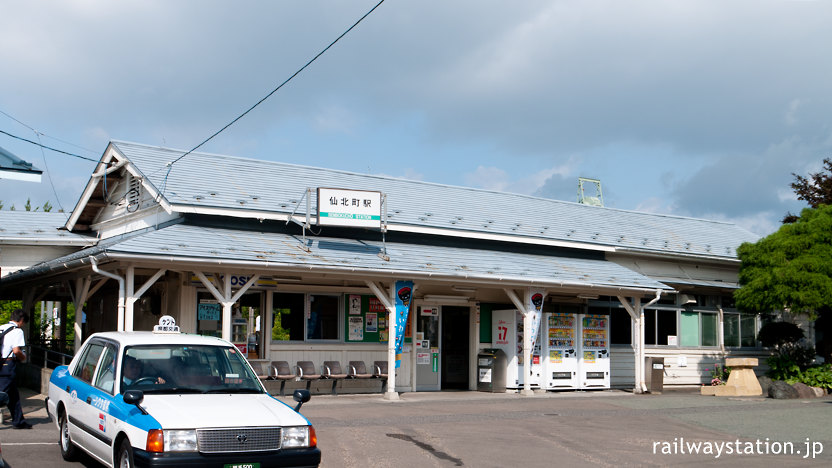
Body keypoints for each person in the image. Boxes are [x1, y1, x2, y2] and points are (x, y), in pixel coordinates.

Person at [0, 309, 31, 429]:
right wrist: (23, 357)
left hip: (0, 363)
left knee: (13, 396)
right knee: (2, 395)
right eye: (24, 322)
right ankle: (19, 421)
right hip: (7, 365)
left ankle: (19, 421)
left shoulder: (2, 327)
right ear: (21, 320)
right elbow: (16, 350)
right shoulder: (17, 331)